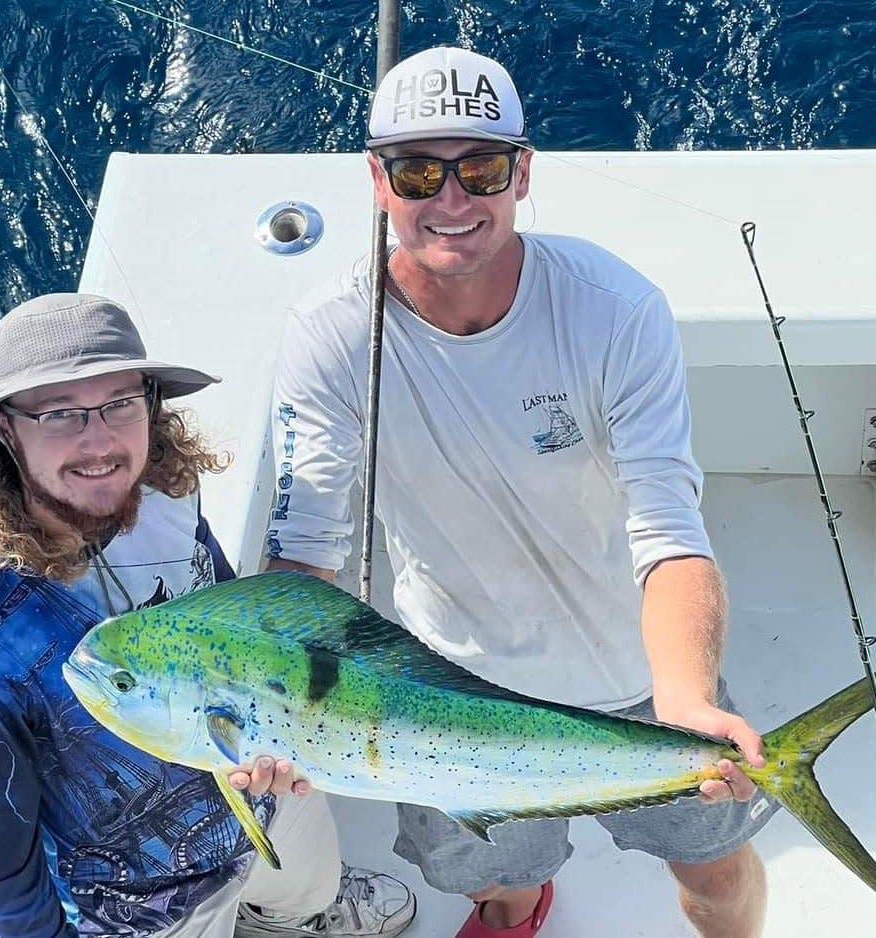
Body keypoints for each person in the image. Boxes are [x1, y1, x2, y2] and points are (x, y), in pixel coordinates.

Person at [264, 45, 776, 938]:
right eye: (418, 171)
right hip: (443, 690)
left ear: (522, 173)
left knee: (716, 875)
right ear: (377, 181)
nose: (451, 201)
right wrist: (286, 710)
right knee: (489, 876)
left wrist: (685, 698)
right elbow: (306, 548)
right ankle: (515, 906)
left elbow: (667, 527)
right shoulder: (328, 336)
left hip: (639, 682)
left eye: (481, 168)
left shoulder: (613, 309)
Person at [0, 293, 416, 938]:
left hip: (261, 791)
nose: (99, 442)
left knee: (307, 886)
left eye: (120, 403)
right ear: (5, 427)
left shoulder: (159, 484)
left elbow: (231, 613)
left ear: (149, 403)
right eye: (60, 414)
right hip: (145, 901)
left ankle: (294, 917)